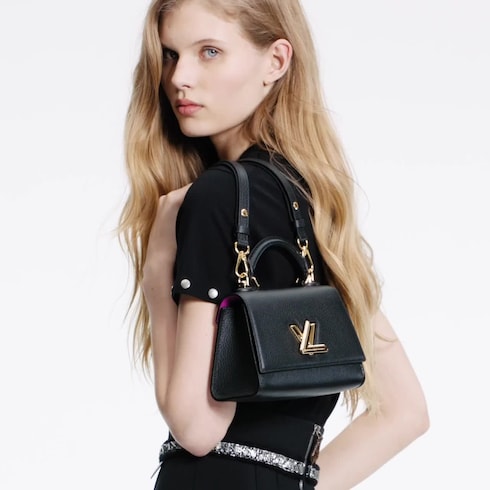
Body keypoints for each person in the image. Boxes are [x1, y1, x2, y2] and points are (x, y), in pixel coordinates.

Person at [118, 0, 430, 488]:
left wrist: (159, 273)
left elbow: (197, 428)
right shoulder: (310, 204)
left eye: (210, 51)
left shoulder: (218, 196)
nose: (179, 77)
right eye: (171, 54)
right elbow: (404, 411)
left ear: (276, 61)